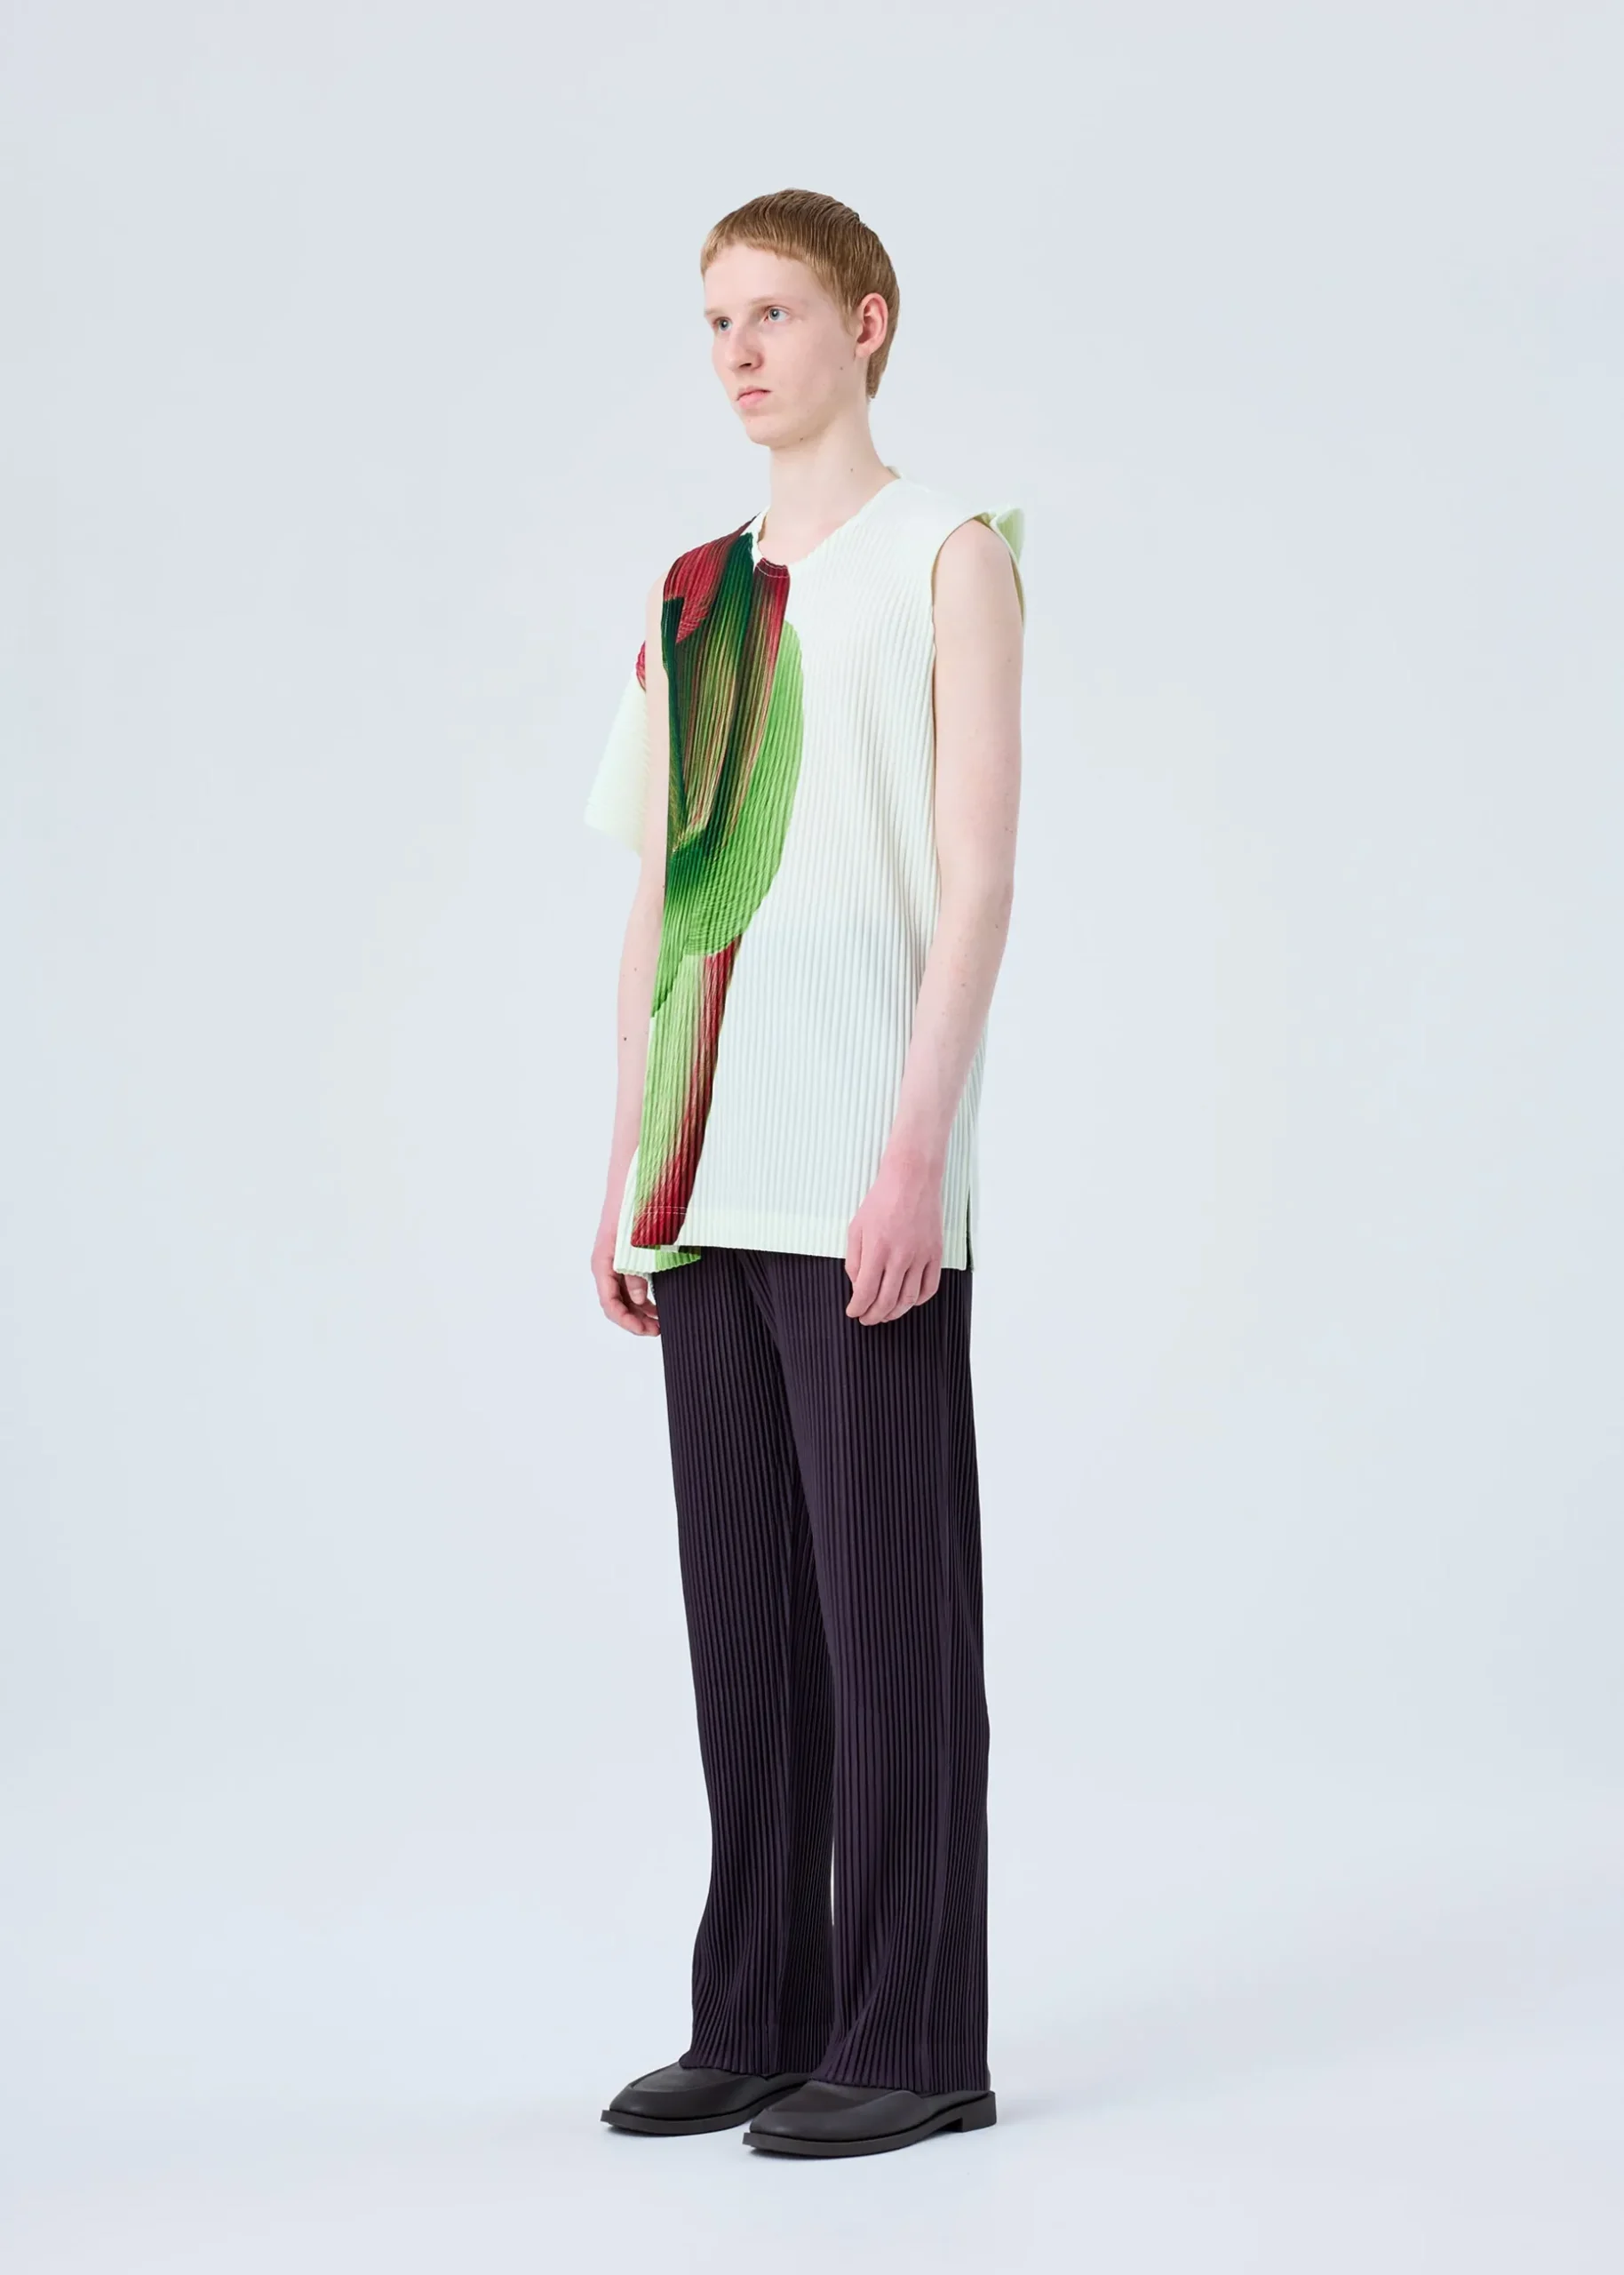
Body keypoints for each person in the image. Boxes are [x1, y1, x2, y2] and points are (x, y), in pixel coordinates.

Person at [584, 188, 1025, 2159]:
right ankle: (756, 2011)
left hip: (863, 1167)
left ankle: (916, 2036)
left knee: (892, 1619)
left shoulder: (949, 556)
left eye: (772, 311)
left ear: (867, 322)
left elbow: (978, 879)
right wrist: (625, 1164)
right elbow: (658, 904)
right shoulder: (694, 593)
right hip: (708, 1172)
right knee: (749, 1625)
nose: (738, 352)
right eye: (714, 320)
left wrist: (916, 1151)